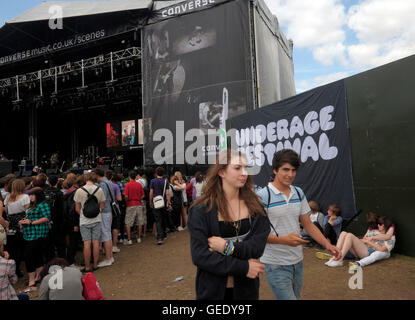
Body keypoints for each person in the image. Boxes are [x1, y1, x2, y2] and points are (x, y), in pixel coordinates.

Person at [256, 149, 341, 300]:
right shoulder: (262, 197)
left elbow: (308, 225)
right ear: (275, 170)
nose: (290, 174)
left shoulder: (299, 192)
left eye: (293, 170)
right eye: (285, 169)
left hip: (297, 262)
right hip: (274, 264)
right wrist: (284, 240)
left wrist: (327, 244)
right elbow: (257, 235)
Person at [188, 149, 270, 300]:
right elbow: (200, 256)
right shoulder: (201, 210)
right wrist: (244, 267)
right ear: (222, 172)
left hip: (247, 291)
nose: (244, 173)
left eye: (246, 168)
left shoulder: (256, 207)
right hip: (212, 292)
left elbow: (257, 248)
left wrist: (227, 247)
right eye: (237, 168)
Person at [327, 216, 395, 268]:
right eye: (378, 224)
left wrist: (368, 242)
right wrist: (361, 240)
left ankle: (339, 260)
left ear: (384, 225)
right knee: (344, 233)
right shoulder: (375, 231)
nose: (378, 225)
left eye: (380, 224)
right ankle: (335, 256)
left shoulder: (390, 237)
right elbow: (364, 239)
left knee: (350, 235)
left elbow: (382, 249)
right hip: (363, 248)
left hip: (369, 252)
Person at [19, 187, 51, 292]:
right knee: (36, 255)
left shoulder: (43, 204)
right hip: (29, 234)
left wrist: (31, 222)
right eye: (30, 195)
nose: (30, 197)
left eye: (33, 195)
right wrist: (24, 221)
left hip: (38, 234)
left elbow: (47, 218)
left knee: (28, 255)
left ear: (38, 195)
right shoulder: (33, 205)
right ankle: (38, 276)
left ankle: (32, 279)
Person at [74, 172, 106, 272]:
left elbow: (77, 208)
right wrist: (97, 212)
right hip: (97, 219)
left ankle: (87, 267)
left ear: (85, 178)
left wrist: (83, 215)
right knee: (96, 242)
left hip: (84, 221)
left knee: (86, 243)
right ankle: (95, 265)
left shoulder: (79, 191)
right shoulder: (99, 190)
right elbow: (102, 206)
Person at [3, 179, 30, 277]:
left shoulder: (8, 197)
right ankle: (19, 269)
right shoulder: (25, 197)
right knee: (21, 248)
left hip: (11, 225)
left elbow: (6, 212)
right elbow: (28, 212)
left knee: (13, 249)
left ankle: (14, 270)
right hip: (22, 225)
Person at [92, 168, 115, 268]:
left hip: (104, 211)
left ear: (97, 175)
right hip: (108, 210)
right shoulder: (108, 182)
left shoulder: (102, 184)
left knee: (105, 234)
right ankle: (110, 257)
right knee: (107, 233)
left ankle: (108, 258)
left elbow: (103, 199)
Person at [149, 167, 172, 245]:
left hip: (156, 202)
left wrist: (150, 201)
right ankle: (164, 234)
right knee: (163, 218)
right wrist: (168, 202)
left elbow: (151, 192)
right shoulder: (166, 181)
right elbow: (168, 193)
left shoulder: (153, 181)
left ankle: (159, 238)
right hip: (164, 202)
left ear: (156, 173)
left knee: (158, 220)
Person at [124, 171, 145, 245]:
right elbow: (143, 195)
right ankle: (139, 238)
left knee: (128, 222)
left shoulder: (127, 185)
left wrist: (127, 201)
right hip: (138, 204)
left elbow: (126, 196)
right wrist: (138, 199)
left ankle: (129, 239)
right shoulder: (139, 184)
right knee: (139, 222)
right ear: (136, 176)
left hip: (130, 204)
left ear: (129, 177)